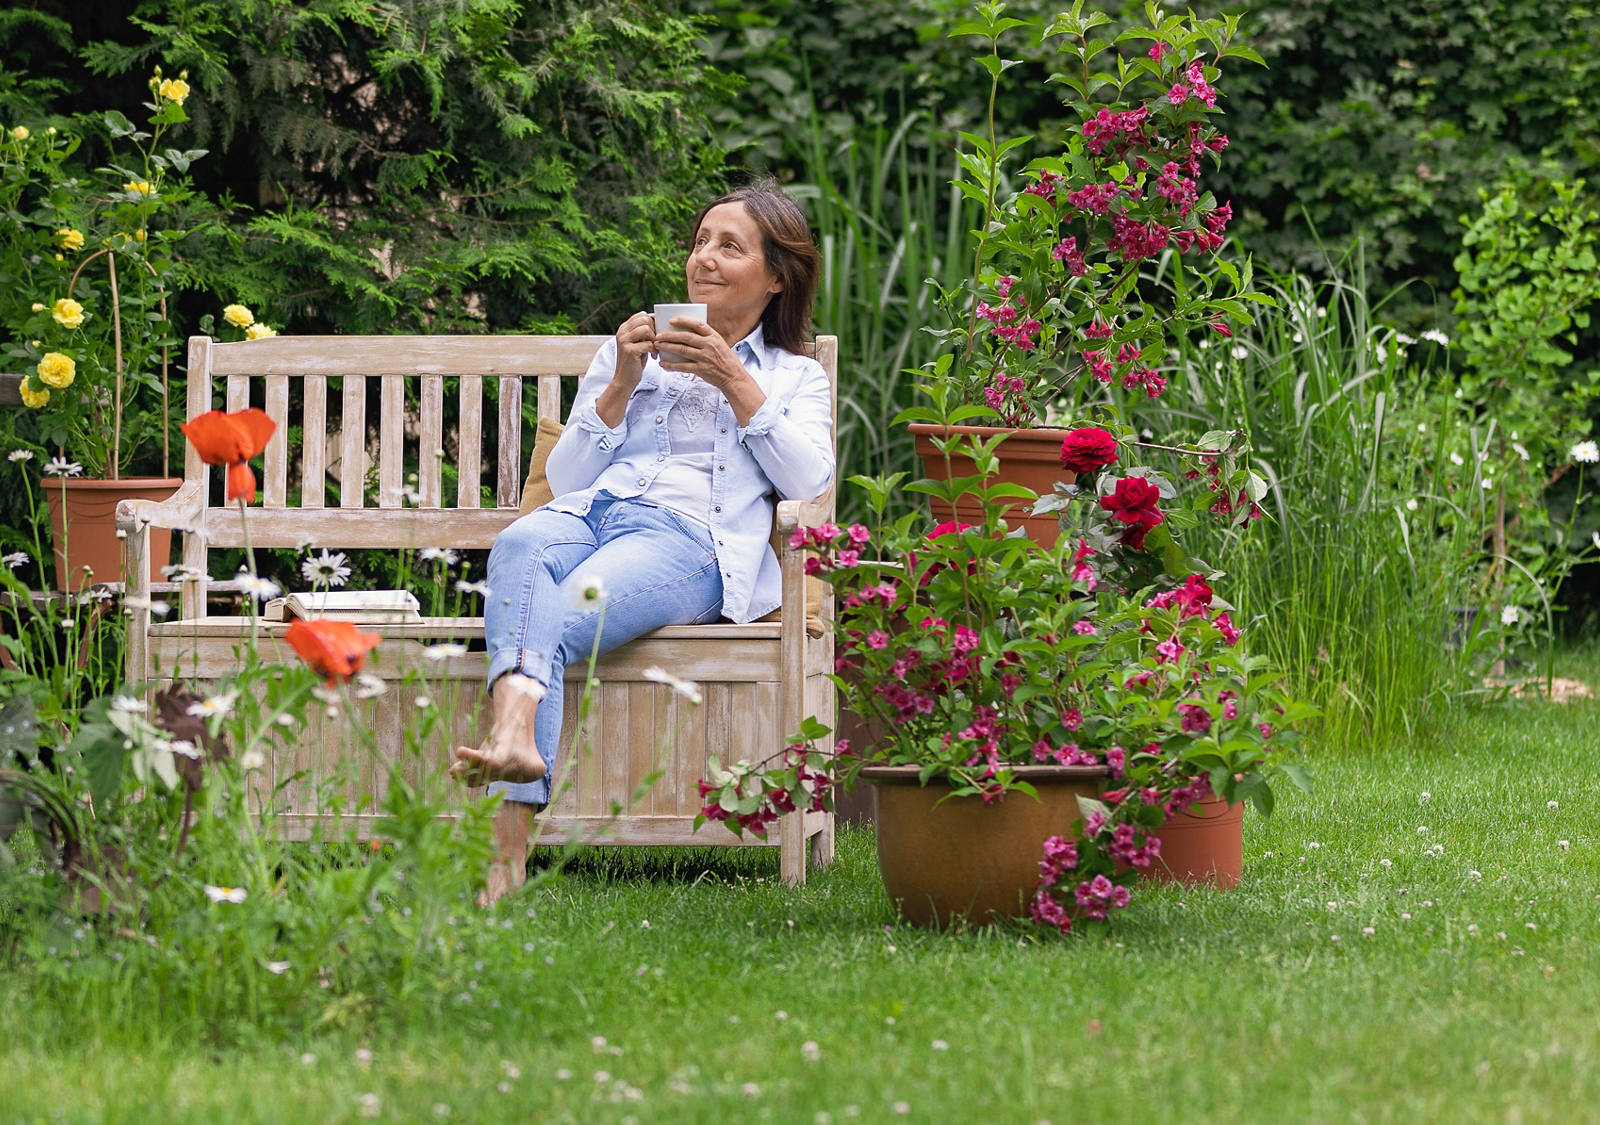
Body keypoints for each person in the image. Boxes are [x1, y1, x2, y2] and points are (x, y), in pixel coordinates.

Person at [451, 181, 833, 805]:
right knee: (521, 542)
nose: (704, 256)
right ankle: (514, 742)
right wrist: (622, 384)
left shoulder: (796, 376)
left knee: (553, 610)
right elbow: (568, 483)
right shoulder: (628, 353)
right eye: (701, 240)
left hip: (685, 543)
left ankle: (504, 850)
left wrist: (732, 377)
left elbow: (808, 483)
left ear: (776, 278)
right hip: (589, 517)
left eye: (730, 246)